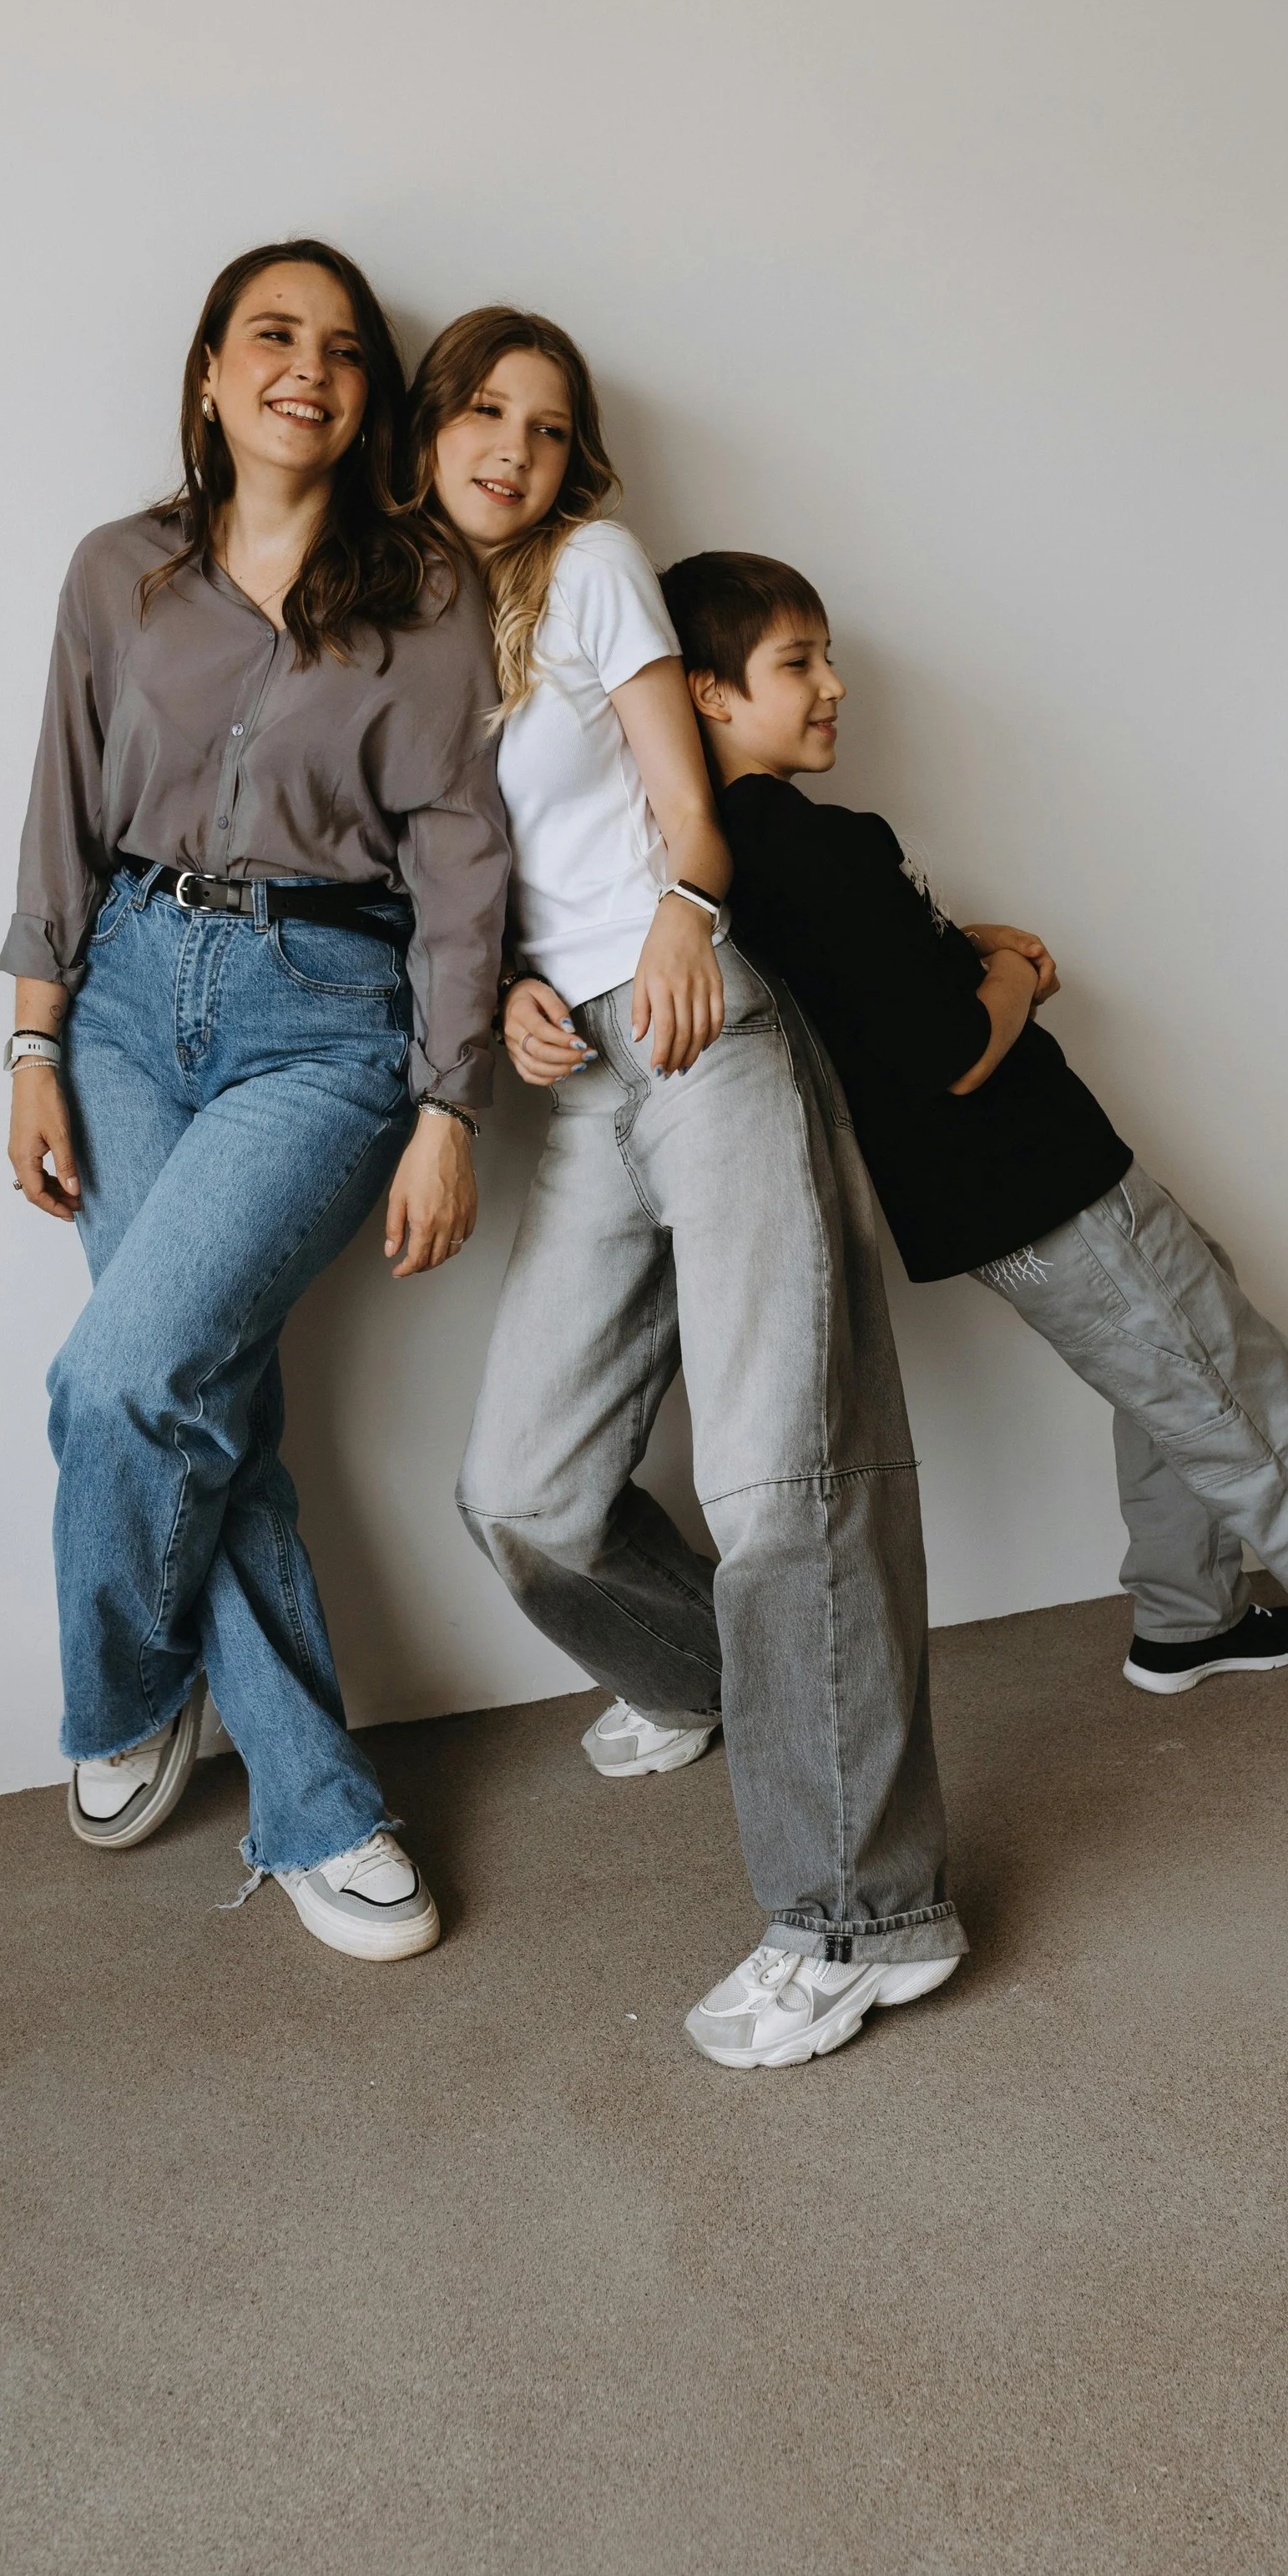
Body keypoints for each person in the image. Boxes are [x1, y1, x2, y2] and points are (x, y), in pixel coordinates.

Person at [664, 549, 1288, 1723]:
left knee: (1201, 1338)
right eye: (797, 663)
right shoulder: (809, 844)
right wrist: (1011, 977)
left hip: (1022, 1187)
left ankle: (1186, 1615)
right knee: (1246, 1401)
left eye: (829, 656)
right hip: (1033, 1180)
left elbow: (882, 975)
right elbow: (948, 1049)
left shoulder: (769, 849)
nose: (835, 683)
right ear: (709, 691)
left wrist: (976, 947)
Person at [407, 309, 965, 2070]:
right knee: (522, 1494)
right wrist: (506, 988)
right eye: (485, 413)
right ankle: (726, 1685)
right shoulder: (422, 633)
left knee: (783, 1474)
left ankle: (867, 1919)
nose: (515, 446)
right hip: (577, 1079)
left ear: (579, 466)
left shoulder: (591, 569)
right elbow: (489, 880)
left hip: (708, 1033)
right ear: (426, 431)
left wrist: (680, 915)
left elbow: (684, 820)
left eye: (549, 427)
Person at [1, 239, 509, 1961]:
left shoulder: (426, 595)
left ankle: (126, 1692)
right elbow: (59, 813)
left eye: (345, 349)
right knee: (206, 1409)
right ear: (211, 370)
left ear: (366, 399)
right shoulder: (115, 574)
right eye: (272, 335)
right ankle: (315, 1805)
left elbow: (458, 859)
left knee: (126, 1381)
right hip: (127, 1002)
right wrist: (29, 1046)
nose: (310, 367)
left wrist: (446, 1105)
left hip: (325, 1015)